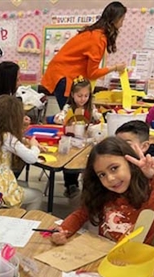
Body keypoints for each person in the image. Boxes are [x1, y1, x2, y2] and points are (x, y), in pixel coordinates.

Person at [40, 2, 127, 196]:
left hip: (72, 80)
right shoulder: (98, 38)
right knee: (73, 128)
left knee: (82, 126)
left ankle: (77, 178)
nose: (122, 24)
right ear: (116, 19)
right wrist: (115, 68)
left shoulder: (95, 33)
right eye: (122, 20)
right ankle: (71, 181)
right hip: (66, 80)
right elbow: (92, 71)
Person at [50, 136, 154, 245]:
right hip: (104, 257)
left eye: (114, 168)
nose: (110, 179)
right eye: (102, 174)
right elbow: (81, 214)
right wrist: (64, 230)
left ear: (130, 164)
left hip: (137, 265)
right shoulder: (104, 193)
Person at [0, 95, 45, 211]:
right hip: (1, 190)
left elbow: (9, 145)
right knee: (37, 195)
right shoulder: (8, 137)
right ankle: (29, 223)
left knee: (24, 185)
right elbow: (31, 158)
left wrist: (25, 141)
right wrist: (35, 146)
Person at [53, 77, 104, 197]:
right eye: (79, 95)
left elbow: (98, 117)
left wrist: (99, 117)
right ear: (72, 95)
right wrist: (62, 120)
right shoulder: (68, 108)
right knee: (71, 162)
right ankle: (71, 185)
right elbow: (59, 118)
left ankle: (88, 185)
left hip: (86, 141)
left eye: (86, 96)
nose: (83, 99)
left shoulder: (90, 107)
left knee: (87, 162)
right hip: (71, 141)